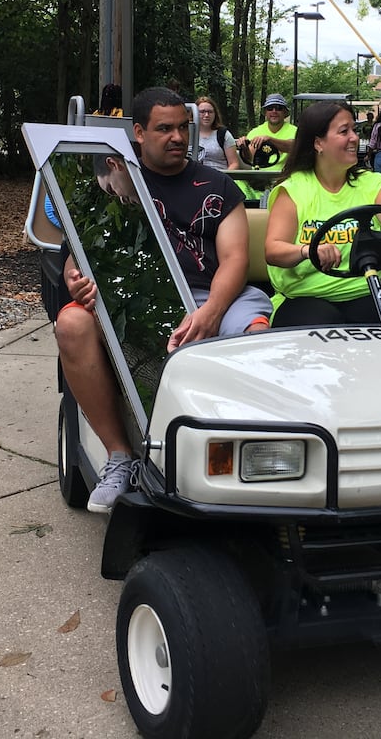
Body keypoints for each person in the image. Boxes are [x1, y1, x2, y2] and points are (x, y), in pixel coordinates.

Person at [55, 87, 272, 513]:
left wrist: (210, 313)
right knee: (72, 323)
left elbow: (235, 261)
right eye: (164, 128)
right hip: (138, 294)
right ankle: (120, 456)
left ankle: (255, 460)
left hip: (217, 294)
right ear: (138, 132)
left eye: (182, 128)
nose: (177, 137)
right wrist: (76, 281)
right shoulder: (116, 181)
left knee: (255, 335)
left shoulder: (217, 184)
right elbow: (75, 257)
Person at [264, 101, 381, 326]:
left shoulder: (371, 183)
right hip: (304, 297)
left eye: (354, 130)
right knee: (326, 326)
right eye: (344, 131)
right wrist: (307, 251)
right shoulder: (294, 190)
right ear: (318, 143)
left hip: (363, 293)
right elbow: (273, 250)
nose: (354, 137)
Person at [236, 93, 297, 164]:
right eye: (270, 108)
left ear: (285, 112)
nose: (274, 111)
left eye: (278, 108)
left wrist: (270, 139)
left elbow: (294, 147)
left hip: (287, 174)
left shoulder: (295, 131)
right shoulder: (255, 132)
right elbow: (249, 159)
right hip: (260, 173)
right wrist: (244, 148)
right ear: (265, 112)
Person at [194, 95, 241, 172]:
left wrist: (223, 179)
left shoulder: (223, 134)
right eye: (202, 112)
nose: (206, 115)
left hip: (220, 178)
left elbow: (234, 163)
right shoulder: (188, 134)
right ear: (195, 113)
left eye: (210, 112)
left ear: (215, 114)